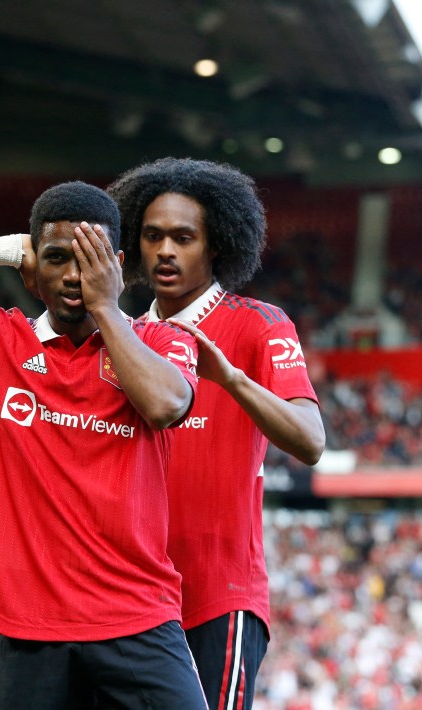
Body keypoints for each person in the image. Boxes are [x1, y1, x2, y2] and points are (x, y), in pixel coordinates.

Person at [0, 181, 208, 709]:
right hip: (33, 633)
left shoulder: (162, 341)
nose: (74, 276)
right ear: (33, 268)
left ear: (115, 265)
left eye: (90, 261)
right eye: (56, 258)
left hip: (139, 622)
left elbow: (166, 405)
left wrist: (106, 307)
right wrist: (4, 248)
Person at [108, 158, 326, 710]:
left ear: (217, 245)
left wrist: (230, 378)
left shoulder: (258, 324)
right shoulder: (124, 339)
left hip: (219, 597)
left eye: (184, 237)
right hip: (128, 600)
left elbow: (310, 440)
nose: (165, 251)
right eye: (152, 236)